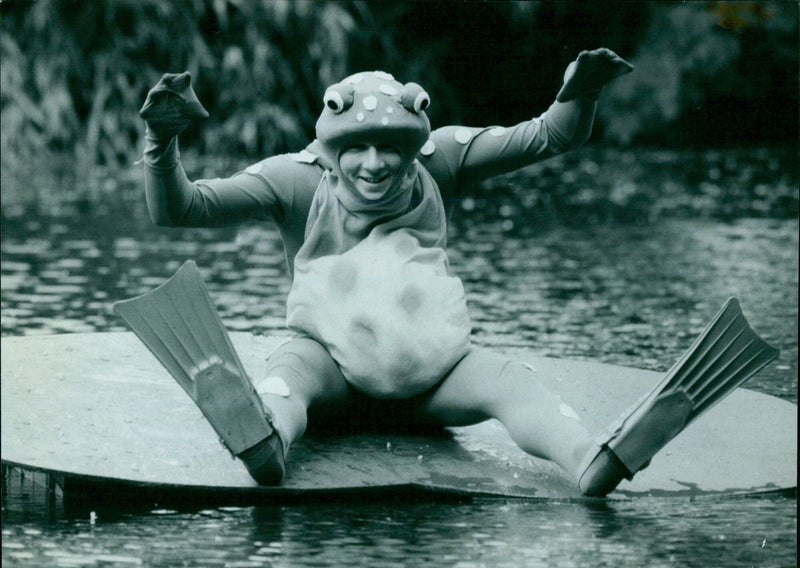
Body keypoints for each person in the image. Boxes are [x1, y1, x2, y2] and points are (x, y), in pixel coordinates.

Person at [115, 49, 777, 496]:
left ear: (416, 144)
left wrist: (582, 93)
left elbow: (549, 136)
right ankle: (265, 441)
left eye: (393, 150)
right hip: (331, 367)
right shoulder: (294, 177)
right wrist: (160, 143)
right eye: (357, 150)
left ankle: (592, 460)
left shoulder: (444, 156)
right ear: (331, 147)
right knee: (287, 379)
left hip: (433, 375)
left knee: (514, 383)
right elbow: (184, 209)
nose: (375, 164)